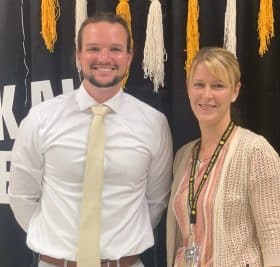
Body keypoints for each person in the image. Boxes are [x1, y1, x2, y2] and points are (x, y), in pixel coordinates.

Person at [9, 12, 173, 267]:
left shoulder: (154, 124)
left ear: (130, 57)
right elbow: (22, 196)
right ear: (78, 55)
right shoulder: (41, 119)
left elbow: (154, 201)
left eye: (116, 49)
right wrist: (55, 242)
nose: (104, 58)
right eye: (94, 49)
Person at [166, 47, 280, 267]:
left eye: (218, 85)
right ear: (188, 88)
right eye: (199, 84)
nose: (207, 94)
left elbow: (275, 237)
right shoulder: (183, 156)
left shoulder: (256, 152)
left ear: (235, 91)